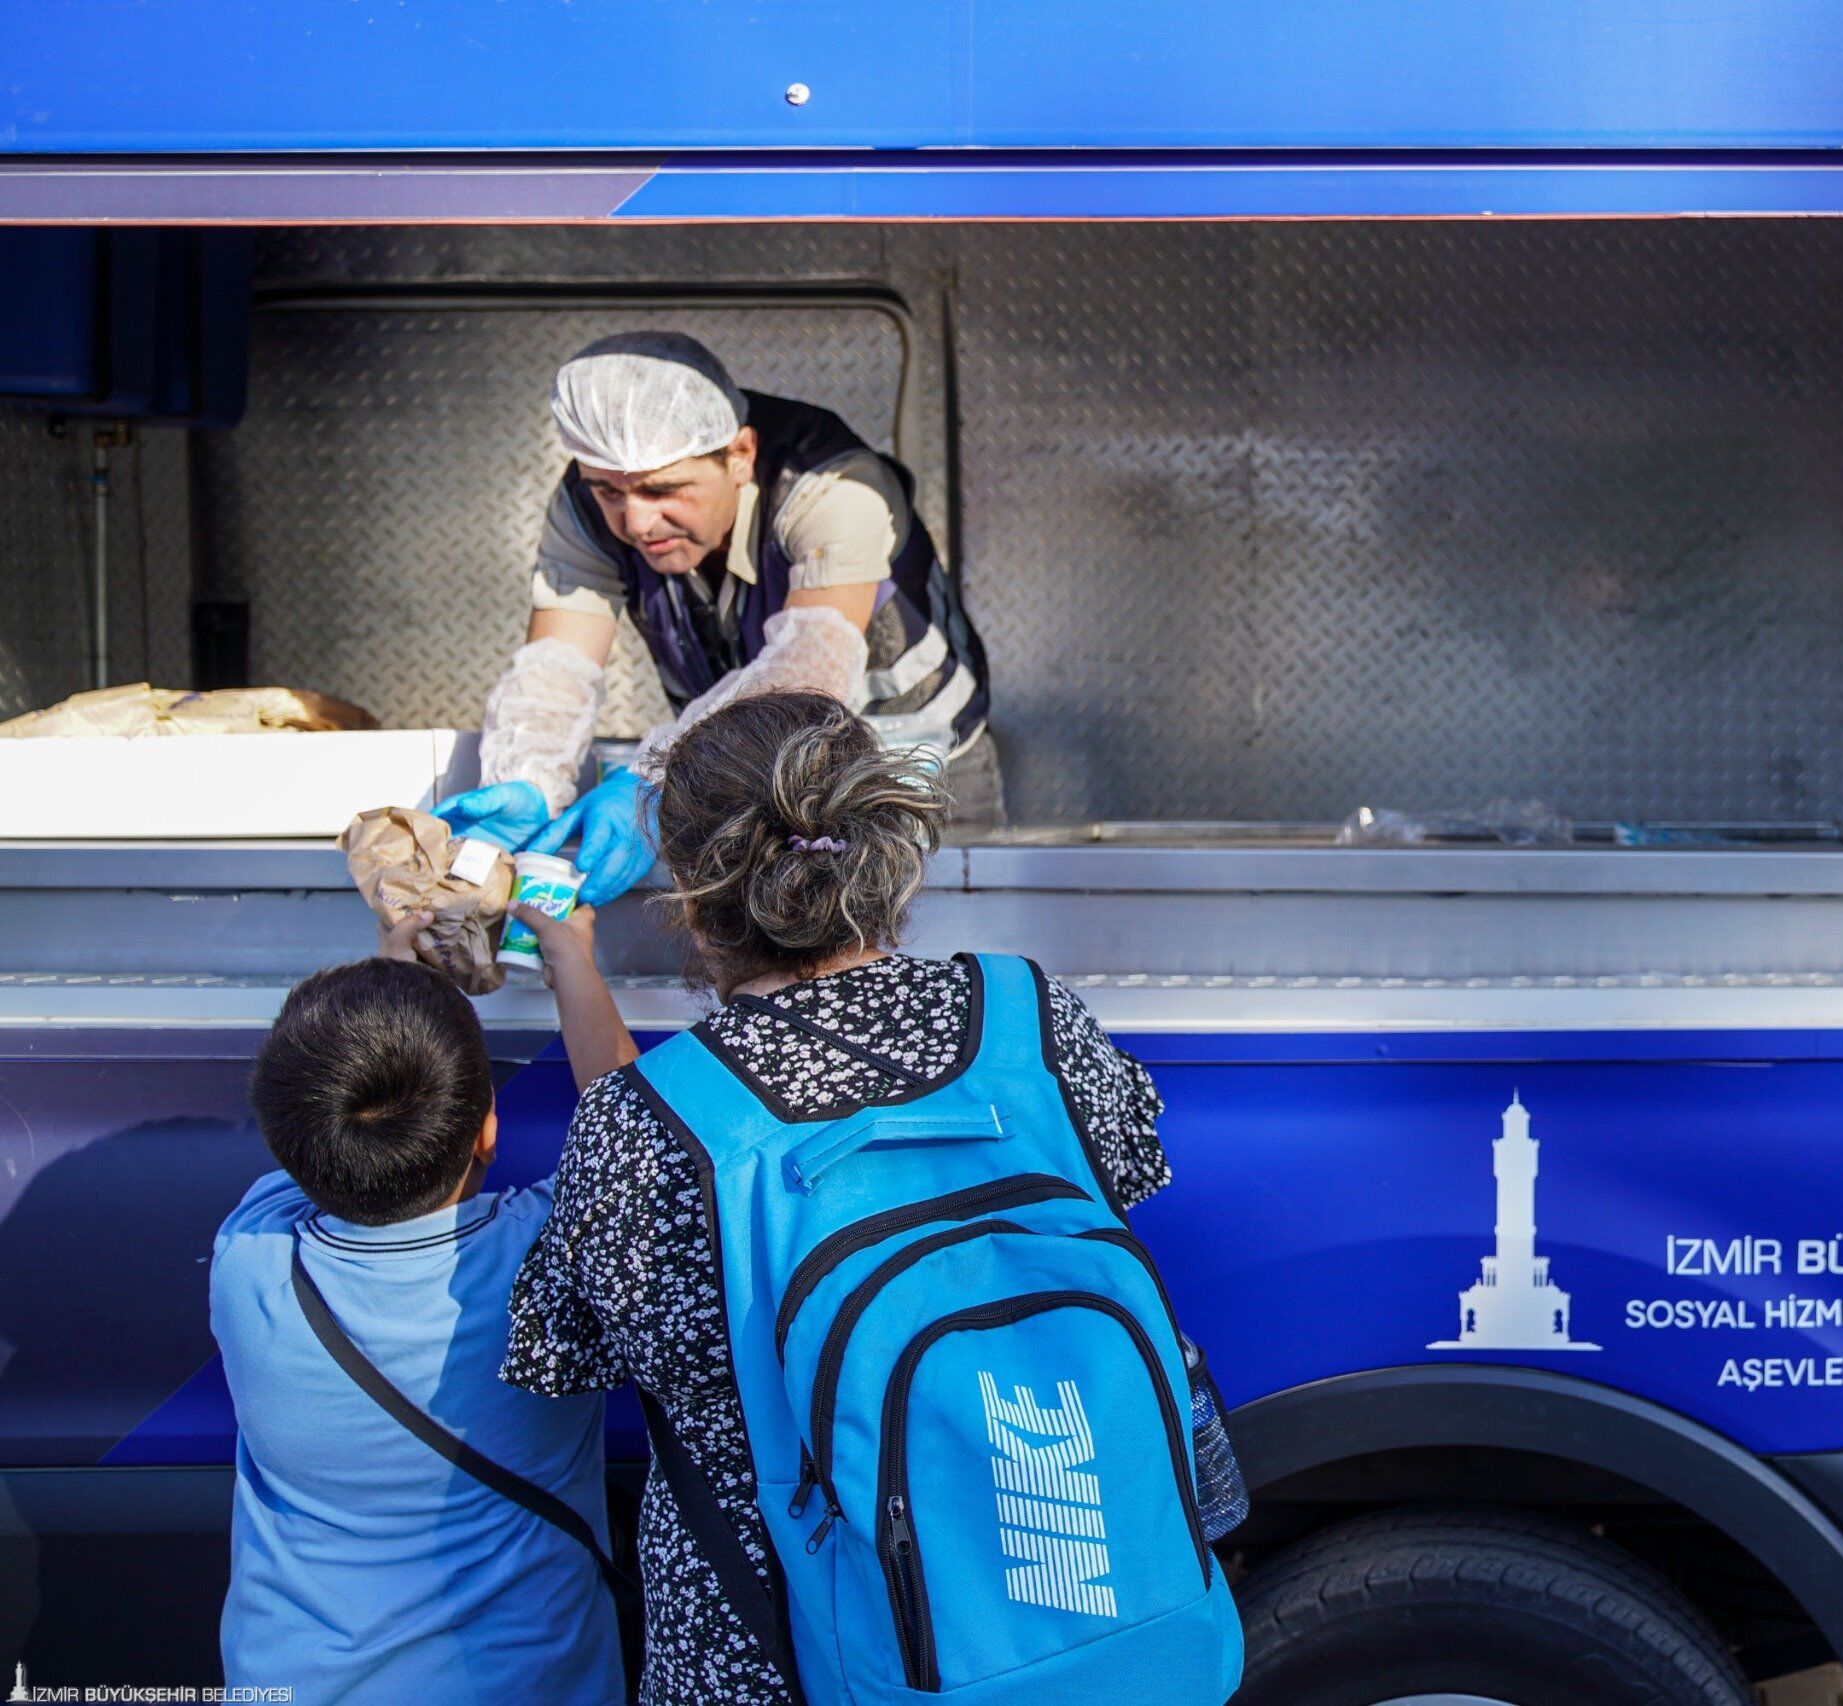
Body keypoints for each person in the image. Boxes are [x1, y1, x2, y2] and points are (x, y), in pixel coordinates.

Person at [502, 692, 1234, 1704]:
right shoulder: (1028, 1017)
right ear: (885, 848)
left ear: (688, 890)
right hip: (1100, 1626)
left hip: (784, 1654)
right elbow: (1134, 1169)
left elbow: (562, 1349)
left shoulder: (645, 1125)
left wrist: (572, 971)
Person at [211, 901, 637, 1704]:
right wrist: (574, 964)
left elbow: (320, 1138)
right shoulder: (542, 1260)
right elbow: (633, 1140)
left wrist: (390, 1002)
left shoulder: (251, 1261)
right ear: (487, 1133)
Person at [434, 331, 999, 903]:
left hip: (910, 761)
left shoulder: (832, 486)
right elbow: (557, 661)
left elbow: (808, 671)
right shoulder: (586, 502)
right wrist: (528, 777)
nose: (636, 523)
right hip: (747, 773)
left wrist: (657, 780)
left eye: (663, 489)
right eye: (608, 490)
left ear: (740, 456)